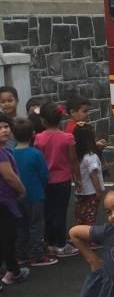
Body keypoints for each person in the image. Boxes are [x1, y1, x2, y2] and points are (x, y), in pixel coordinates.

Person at [35, 102, 78, 257]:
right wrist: (77, 179)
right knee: (60, 212)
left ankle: (50, 242)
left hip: (45, 181)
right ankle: (61, 244)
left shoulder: (38, 138)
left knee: (47, 212)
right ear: (60, 119)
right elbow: (73, 160)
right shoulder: (68, 137)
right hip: (63, 181)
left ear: (43, 121)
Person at [12, 119, 54, 268]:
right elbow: (44, 175)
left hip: (16, 195)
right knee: (36, 225)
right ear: (33, 134)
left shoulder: (10, 152)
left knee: (21, 225)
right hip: (35, 194)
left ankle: (20, 254)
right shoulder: (36, 153)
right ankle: (36, 255)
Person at [0, 117, 27, 285]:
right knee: (7, 237)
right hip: (4, 201)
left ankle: (13, 270)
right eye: (0, 128)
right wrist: (22, 189)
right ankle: (13, 271)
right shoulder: (1, 152)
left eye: (5, 126)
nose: (4, 130)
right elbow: (9, 176)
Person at [73, 124, 104, 226]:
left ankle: (79, 236)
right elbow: (93, 175)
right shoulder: (91, 157)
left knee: (80, 216)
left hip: (80, 191)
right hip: (91, 192)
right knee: (90, 217)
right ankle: (89, 239)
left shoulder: (76, 156)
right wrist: (98, 191)